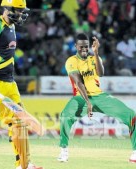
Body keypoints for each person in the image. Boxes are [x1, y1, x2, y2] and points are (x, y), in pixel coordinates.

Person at [0, 0, 42, 169]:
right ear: (8, 9)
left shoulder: (12, 26)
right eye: (18, 10)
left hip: (10, 84)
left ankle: (23, 165)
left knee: (19, 123)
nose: (21, 14)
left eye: (22, 11)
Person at [57, 33, 136, 163]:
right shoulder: (71, 61)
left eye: (86, 46)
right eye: (81, 46)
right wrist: (88, 102)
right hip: (80, 98)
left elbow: (101, 73)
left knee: (131, 115)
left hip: (99, 96)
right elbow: (78, 82)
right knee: (65, 116)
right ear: (76, 46)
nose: (84, 49)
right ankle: (63, 150)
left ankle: (135, 153)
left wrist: (96, 53)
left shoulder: (93, 58)